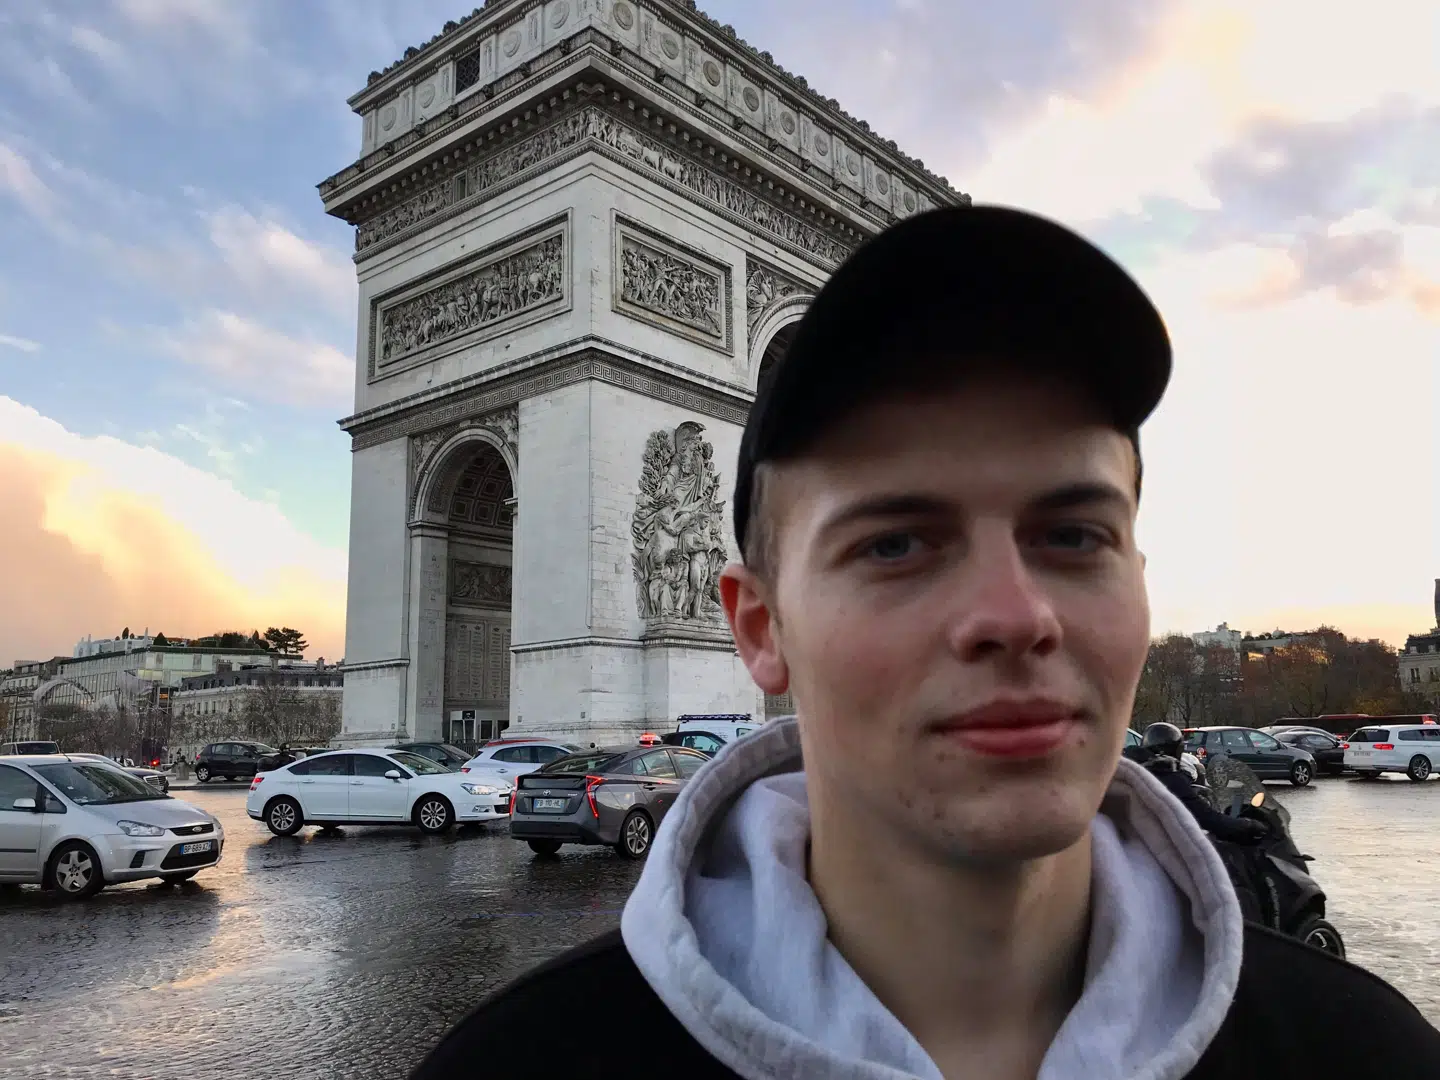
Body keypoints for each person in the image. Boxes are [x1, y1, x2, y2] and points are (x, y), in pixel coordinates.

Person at [411, 207, 1440, 1078]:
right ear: (758, 627)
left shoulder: (1379, 1056)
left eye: (1073, 535)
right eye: (897, 543)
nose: (1015, 614)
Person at [1138, 722, 1265, 844]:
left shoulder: (1133, 772)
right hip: (1165, 851)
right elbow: (1210, 819)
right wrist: (1250, 826)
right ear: (1174, 750)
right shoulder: (1168, 780)